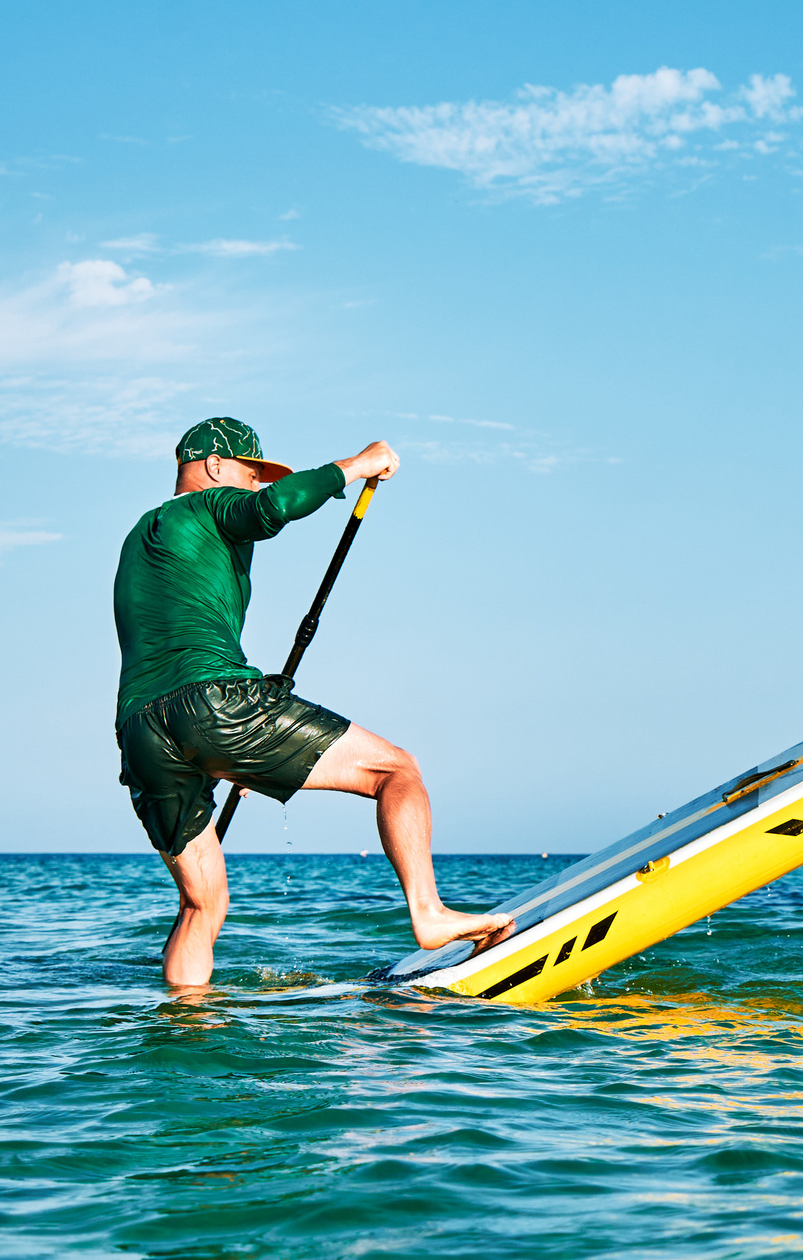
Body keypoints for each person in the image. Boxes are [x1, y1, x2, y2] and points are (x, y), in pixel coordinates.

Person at [113, 417, 513, 989]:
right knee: (396, 769)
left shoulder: (139, 537)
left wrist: (232, 754)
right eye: (249, 474)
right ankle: (429, 913)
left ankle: (186, 1031)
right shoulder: (208, 508)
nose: (252, 486)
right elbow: (275, 506)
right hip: (214, 702)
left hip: (142, 731)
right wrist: (357, 464)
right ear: (215, 466)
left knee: (202, 908)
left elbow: (174, 643)